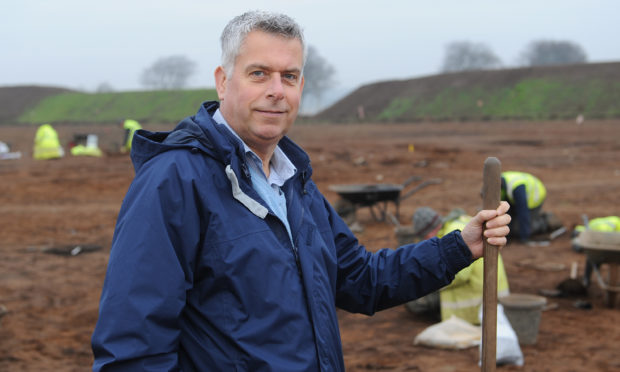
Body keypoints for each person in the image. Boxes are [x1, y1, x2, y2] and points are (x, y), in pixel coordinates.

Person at [91, 10, 511, 371]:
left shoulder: (296, 186)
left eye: (288, 76)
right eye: (259, 74)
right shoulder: (174, 182)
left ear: (301, 88)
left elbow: (361, 279)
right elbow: (133, 348)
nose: (276, 90)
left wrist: (459, 247)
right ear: (223, 82)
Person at [404, 207, 510, 325]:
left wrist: (432, 281)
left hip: (479, 303)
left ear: (428, 232)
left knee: (420, 299)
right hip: (493, 295)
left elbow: (461, 275)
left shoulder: (453, 232)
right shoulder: (462, 223)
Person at [501, 171, 547, 243]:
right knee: (509, 215)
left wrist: (524, 238)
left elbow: (523, 211)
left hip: (535, 198)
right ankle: (511, 234)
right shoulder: (498, 180)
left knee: (523, 225)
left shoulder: (517, 187)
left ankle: (543, 223)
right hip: (515, 196)